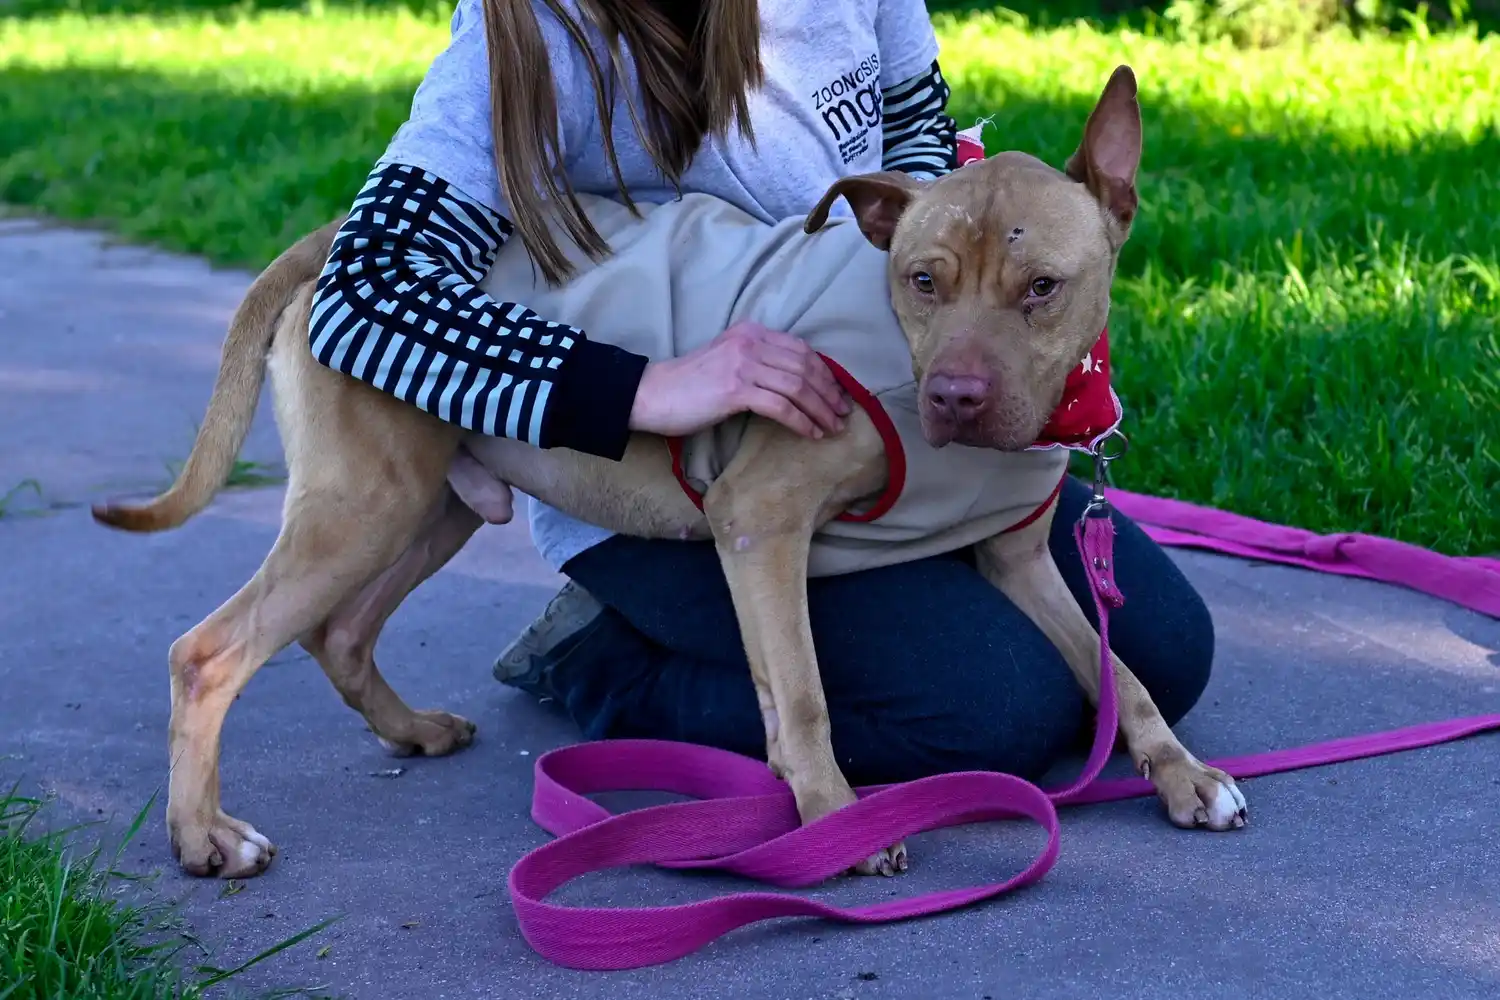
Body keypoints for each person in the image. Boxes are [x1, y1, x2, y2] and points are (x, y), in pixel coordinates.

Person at [308, 0, 1216, 787]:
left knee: (1168, 653)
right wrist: (642, 388)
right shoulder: (533, 28)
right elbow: (366, 287)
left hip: (884, 414)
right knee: (992, 712)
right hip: (666, 478)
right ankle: (600, 656)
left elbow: (923, 167)